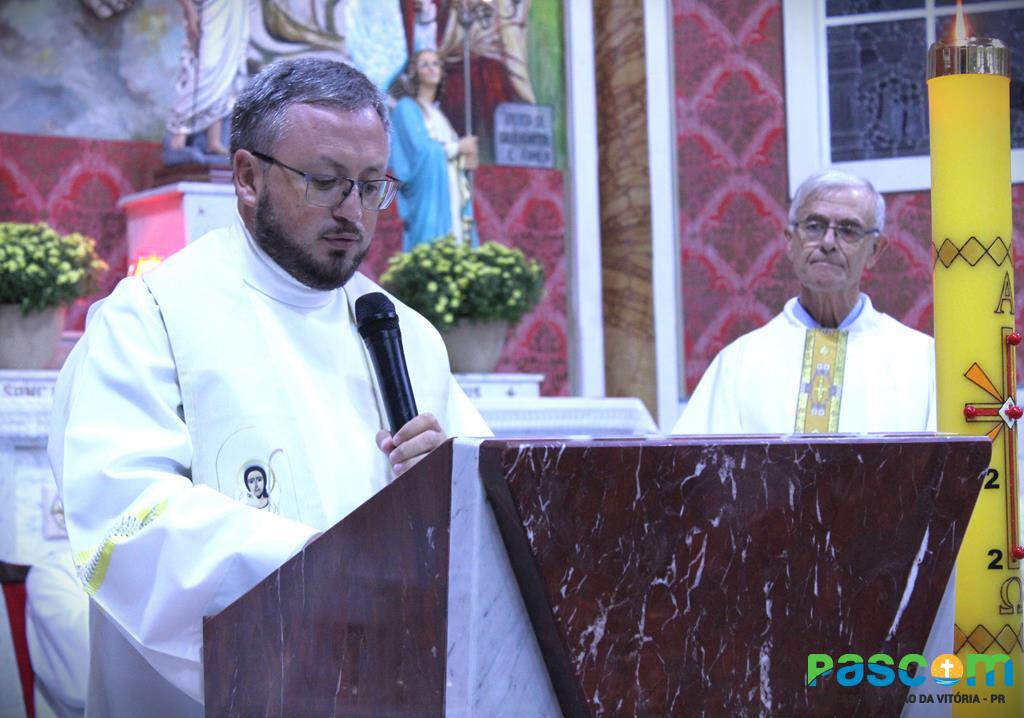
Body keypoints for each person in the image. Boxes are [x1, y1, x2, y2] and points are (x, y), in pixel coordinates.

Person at [48, 57, 490, 716]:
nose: (354, 211)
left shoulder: (407, 335)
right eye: (325, 181)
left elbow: (487, 522)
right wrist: (334, 571)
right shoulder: (152, 317)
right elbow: (124, 516)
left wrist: (449, 488)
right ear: (248, 177)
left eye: (373, 185)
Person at [674, 169, 935, 434]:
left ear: (875, 250)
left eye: (849, 230)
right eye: (814, 226)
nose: (828, 242)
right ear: (790, 241)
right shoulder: (738, 365)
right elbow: (693, 468)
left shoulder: (921, 361)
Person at [389, 49, 479, 249]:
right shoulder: (406, 108)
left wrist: (466, 159)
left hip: (451, 196)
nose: (432, 69)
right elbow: (421, 152)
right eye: (425, 64)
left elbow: (449, 159)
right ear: (414, 73)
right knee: (431, 250)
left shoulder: (439, 115)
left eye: (436, 63)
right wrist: (458, 147)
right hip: (428, 199)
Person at [165, 0, 250, 162]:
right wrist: (190, 13)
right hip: (209, 9)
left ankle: (214, 140)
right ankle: (179, 137)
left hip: (235, 10)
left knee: (227, 73)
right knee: (205, 68)